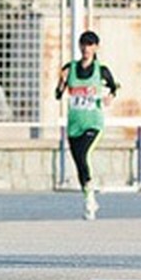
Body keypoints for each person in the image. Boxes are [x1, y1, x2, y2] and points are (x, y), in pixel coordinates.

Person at [55, 30, 119, 220]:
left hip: (93, 123)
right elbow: (58, 95)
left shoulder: (102, 70)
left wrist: (110, 96)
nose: (86, 48)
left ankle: (90, 193)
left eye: (90, 45)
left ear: (96, 47)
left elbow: (114, 87)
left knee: (84, 155)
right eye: (83, 44)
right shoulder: (70, 68)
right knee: (79, 163)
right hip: (75, 124)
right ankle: (89, 197)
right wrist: (62, 82)